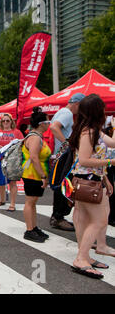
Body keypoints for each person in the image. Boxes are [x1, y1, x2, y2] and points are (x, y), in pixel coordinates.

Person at [68, 94, 115, 279]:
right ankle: (81, 258)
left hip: (89, 179)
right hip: (87, 181)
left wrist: (105, 178)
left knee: (86, 220)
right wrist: (110, 161)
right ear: (96, 110)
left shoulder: (93, 130)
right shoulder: (88, 132)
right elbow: (85, 159)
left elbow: (112, 143)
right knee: (100, 221)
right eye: (102, 107)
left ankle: (85, 255)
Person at [49, 92, 85, 231]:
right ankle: (58, 217)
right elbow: (54, 127)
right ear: (77, 104)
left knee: (62, 185)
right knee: (63, 186)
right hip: (64, 156)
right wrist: (67, 145)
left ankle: (57, 216)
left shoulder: (61, 111)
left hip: (60, 155)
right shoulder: (67, 113)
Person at [21, 107, 51, 242]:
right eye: (47, 122)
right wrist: (43, 176)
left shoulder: (35, 136)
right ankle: (29, 230)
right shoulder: (34, 138)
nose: (49, 125)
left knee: (32, 203)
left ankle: (33, 227)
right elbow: (34, 157)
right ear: (41, 124)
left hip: (34, 174)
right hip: (32, 175)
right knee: (30, 202)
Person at [0, 113, 24, 211]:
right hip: (0, 159)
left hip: (13, 160)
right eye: (3, 121)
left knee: (12, 182)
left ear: (11, 122)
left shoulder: (17, 132)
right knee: (0, 182)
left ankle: (12, 204)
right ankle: (2, 199)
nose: (5, 122)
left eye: (7, 120)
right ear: (1, 122)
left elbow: (23, 144)